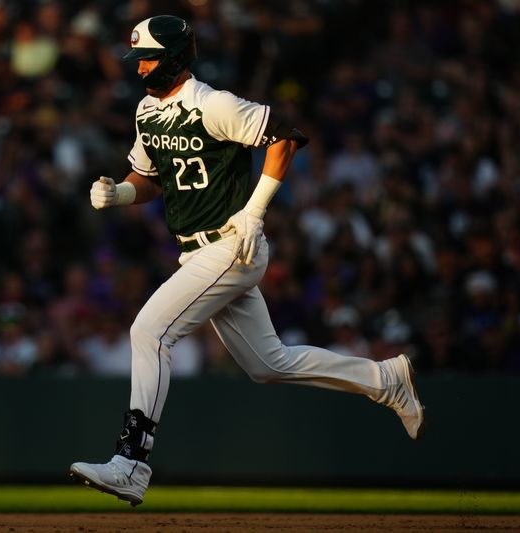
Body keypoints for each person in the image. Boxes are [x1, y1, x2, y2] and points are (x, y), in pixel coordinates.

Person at [68, 15, 424, 507]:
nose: (139, 67)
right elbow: (149, 178)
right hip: (198, 249)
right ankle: (383, 380)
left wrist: (254, 212)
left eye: (147, 57)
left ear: (173, 56)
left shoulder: (212, 103)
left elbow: (285, 137)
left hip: (230, 246)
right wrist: (121, 193)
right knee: (268, 364)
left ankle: (131, 462)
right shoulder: (147, 110)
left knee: (148, 332)